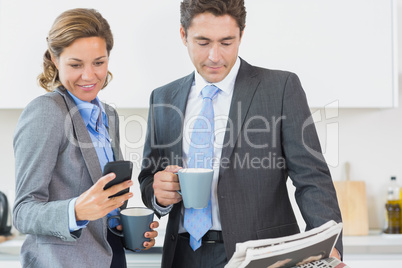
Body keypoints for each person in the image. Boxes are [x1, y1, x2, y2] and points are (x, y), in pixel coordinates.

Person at [138, 0, 342, 267]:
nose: (215, 56)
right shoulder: (164, 97)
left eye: (226, 42)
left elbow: (312, 179)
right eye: (202, 42)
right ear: (183, 35)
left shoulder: (280, 88)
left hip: (261, 255)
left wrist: (329, 247)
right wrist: (158, 194)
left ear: (241, 35)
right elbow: (148, 177)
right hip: (182, 255)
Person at [13, 8, 158, 268]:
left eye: (99, 62)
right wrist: (76, 211)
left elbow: (103, 207)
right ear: (55, 61)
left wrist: (123, 226)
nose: (89, 75)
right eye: (76, 64)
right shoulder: (47, 112)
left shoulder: (108, 116)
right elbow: (23, 212)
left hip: (112, 259)